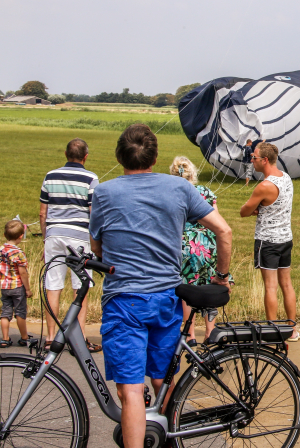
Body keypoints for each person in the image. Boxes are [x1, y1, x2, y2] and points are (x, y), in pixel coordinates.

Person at [89, 124, 232, 447]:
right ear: (154, 156)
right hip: (167, 298)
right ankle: (171, 440)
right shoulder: (178, 189)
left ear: (119, 155)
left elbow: (96, 247)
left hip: (125, 300)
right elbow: (224, 232)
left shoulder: (105, 192)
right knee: (162, 381)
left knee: (130, 390)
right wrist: (221, 277)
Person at [39, 138, 101, 353]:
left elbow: (43, 212)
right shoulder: (91, 179)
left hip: (54, 235)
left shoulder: (50, 176)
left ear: (66, 154)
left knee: (53, 285)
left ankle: (49, 337)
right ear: (86, 157)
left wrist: (45, 239)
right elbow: (94, 214)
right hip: (80, 237)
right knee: (80, 286)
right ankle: (80, 340)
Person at [170, 156, 233, 346]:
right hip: (206, 245)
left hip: (184, 244)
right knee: (208, 284)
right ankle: (210, 330)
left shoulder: (172, 193)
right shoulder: (205, 192)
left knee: (187, 285)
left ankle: (189, 334)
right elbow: (217, 220)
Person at [240, 143, 299, 341]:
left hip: (268, 241)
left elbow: (244, 211)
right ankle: (292, 329)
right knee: (287, 285)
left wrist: (256, 208)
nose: (252, 160)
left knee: (271, 287)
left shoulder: (264, 186)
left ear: (264, 160)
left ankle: (272, 331)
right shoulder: (286, 178)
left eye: (254, 158)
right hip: (285, 238)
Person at [0, 220, 33, 348]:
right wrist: (28, 289)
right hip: (17, 286)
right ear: (21, 236)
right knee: (20, 312)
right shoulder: (18, 253)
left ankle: (5, 338)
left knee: (5, 312)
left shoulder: (1, 250)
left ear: (4, 235)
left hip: (4, 286)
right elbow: (23, 273)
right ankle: (24, 337)